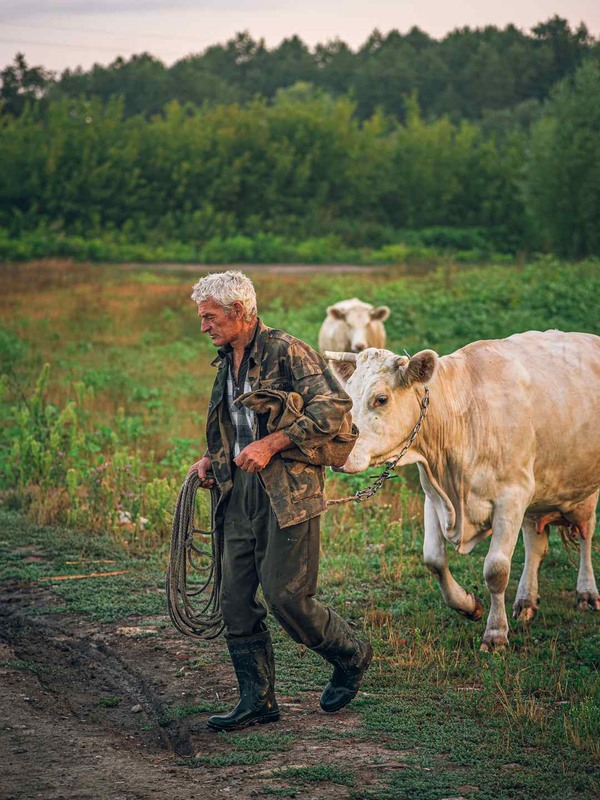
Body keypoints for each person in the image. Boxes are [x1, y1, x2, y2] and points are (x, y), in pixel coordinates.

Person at [188, 270, 372, 732]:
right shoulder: (224, 359)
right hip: (238, 492)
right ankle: (258, 701)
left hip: (287, 492)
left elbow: (333, 407)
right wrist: (214, 459)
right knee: (233, 600)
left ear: (240, 312)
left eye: (210, 317)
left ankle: (351, 653)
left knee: (287, 598)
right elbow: (237, 427)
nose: (204, 326)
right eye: (202, 318)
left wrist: (271, 445)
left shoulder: (287, 349)